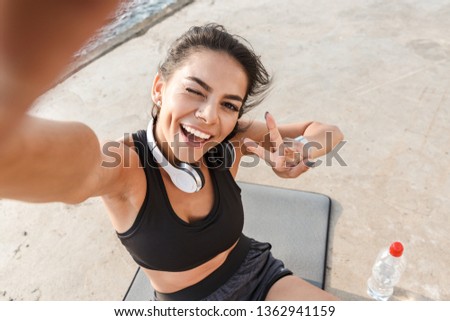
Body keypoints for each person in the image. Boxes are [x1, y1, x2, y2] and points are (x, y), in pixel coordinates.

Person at [0, 4, 343, 300]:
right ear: (159, 89)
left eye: (228, 104)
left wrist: (303, 152)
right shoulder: (124, 166)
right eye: (195, 91)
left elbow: (327, 130)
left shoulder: (231, 140)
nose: (209, 115)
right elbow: (68, 161)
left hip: (259, 275)